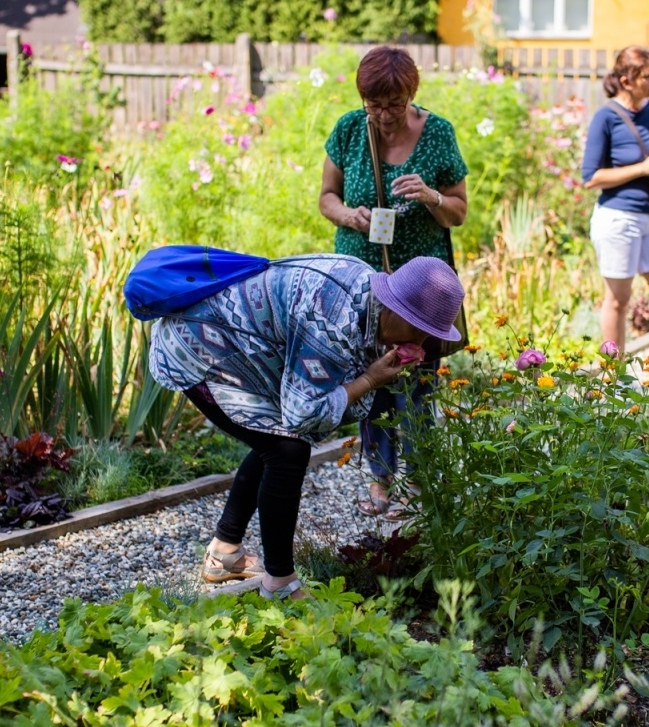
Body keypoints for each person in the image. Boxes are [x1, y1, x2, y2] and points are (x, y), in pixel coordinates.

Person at [147, 253, 464, 600]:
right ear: (396, 308)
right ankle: (279, 582)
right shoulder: (332, 321)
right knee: (287, 450)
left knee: (274, 441)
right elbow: (303, 415)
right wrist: (371, 379)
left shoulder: (362, 288)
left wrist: (371, 371)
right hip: (198, 347)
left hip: (242, 345)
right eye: (418, 331)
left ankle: (224, 552)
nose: (418, 345)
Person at [319, 47, 469, 518]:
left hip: (421, 285)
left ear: (412, 96)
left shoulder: (439, 134)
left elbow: (459, 212)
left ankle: (419, 479)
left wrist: (430, 196)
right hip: (364, 278)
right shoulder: (348, 129)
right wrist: (349, 215)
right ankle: (380, 480)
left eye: (394, 105)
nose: (384, 116)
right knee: (375, 376)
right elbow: (326, 198)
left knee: (419, 379)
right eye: (374, 105)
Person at [580, 46, 649, 384]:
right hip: (618, 219)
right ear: (626, 80)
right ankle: (614, 381)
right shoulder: (606, 117)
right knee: (619, 301)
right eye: (648, 76)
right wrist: (644, 167)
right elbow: (590, 178)